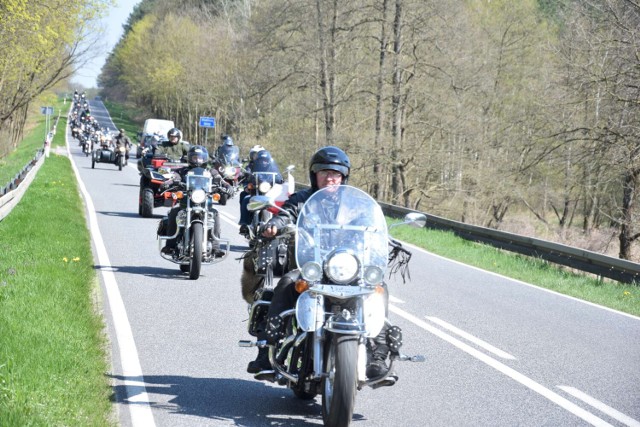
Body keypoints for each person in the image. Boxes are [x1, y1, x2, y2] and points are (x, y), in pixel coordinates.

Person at [246, 146, 402, 388]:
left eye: (336, 174)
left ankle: (378, 357)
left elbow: (371, 224)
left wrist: (386, 237)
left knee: (378, 288)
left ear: (344, 177)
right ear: (314, 175)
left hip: (347, 269)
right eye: (324, 172)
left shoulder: (355, 205)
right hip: (311, 267)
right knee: (287, 283)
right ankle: (267, 352)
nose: (330, 178)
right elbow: (286, 214)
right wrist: (276, 224)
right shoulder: (302, 200)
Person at [160, 145, 233, 256]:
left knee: (215, 214)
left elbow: (219, 178)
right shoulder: (183, 170)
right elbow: (175, 177)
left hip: (204, 200)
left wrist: (226, 185)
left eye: (200, 158)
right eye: (195, 158)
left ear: (205, 159)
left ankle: (215, 247)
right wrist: (167, 183)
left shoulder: (210, 171)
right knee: (174, 213)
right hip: (187, 200)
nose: (198, 160)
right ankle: (170, 245)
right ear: (190, 158)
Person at [237, 149, 283, 236]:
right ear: (258, 161)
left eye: (265, 161)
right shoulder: (253, 167)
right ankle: (244, 223)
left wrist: (281, 180)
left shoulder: (272, 169)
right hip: (256, 193)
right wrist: (247, 180)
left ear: (269, 161)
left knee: (281, 203)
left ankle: (279, 225)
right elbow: (247, 175)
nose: (264, 162)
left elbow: (279, 177)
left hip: (269, 194)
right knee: (246, 199)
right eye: (262, 160)